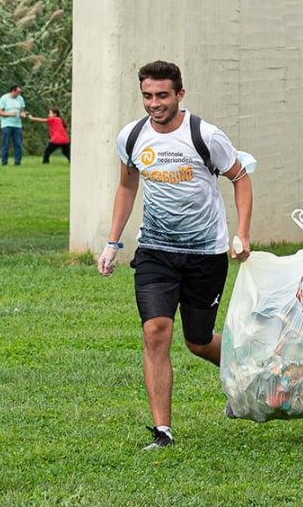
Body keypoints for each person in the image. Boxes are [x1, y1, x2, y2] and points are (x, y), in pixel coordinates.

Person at [97, 60, 254, 450]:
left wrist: (242, 234)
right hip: (155, 252)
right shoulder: (132, 137)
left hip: (205, 253)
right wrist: (113, 242)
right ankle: (162, 432)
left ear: (180, 94)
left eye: (162, 95)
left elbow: (240, 178)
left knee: (198, 340)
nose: (154, 103)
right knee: (155, 332)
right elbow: (126, 187)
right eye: (147, 96)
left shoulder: (205, 135)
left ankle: (251, 375)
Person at [0, 84, 26, 166]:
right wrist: (9, 114)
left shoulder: (20, 99)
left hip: (17, 125)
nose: (19, 94)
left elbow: (22, 110)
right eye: (18, 92)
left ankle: (17, 162)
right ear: (13, 91)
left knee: (18, 144)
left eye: (20, 92)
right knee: (5, 144)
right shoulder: (4, 98)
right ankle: (4, 162)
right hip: (6, 125)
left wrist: (23, 114)